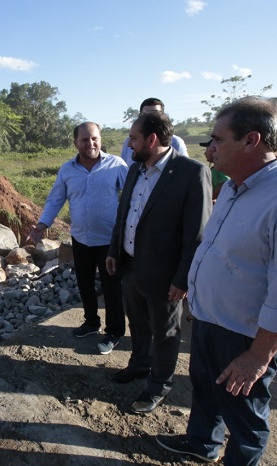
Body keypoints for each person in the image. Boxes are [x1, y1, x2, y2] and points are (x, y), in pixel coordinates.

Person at [155, 97, 277, 465]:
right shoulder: (235, 189)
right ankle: (201, 444)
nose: (210, 151)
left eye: (218, 140)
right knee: (206, 392)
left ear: (251, 140)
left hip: (246, 337)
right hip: (210, 323)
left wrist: (257, 356)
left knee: (245, 415)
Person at [106, 111, 212, 414]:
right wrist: (115, 250)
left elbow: (197, 233)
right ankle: (139, 365)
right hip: (130, 266)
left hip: (166, 276)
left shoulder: (191, 172)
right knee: (137, 323)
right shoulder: (135, 170)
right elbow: (123, 215)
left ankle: (158, 385)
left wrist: (183, 279)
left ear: (152, 140)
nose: (129, 143)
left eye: (134, 137)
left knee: (165, 332)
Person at [28, 122, 128, 354]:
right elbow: (55, 200)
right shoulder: (67, 170)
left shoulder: (116, 165)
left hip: (109, 241)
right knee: (84, 283)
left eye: (94, 138)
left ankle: (114, 332)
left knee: (112, 287)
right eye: (85, 140)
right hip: (81, 239)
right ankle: (91, 322)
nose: (91, 143)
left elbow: (132, 196)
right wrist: (41, 225)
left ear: (100, 139)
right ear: (75, 143)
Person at [121, 98, 188, 166]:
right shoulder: (129, 143)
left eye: (155, 113)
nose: (150, 118)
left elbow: (184, 168)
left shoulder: (176, 142)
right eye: (145, 114)